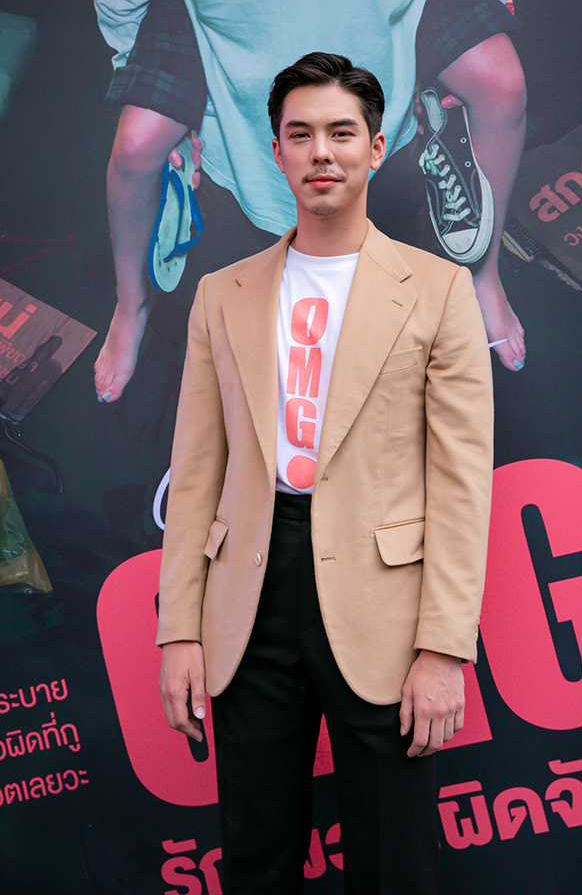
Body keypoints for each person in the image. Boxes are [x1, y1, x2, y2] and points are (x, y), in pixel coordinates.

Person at [157, 52, 494, 894]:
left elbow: (461, 485)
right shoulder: (220, 294)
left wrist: (442, 649)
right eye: (300, 134)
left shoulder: (439, 290)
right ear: (275, 152)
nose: (321, 152)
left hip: (385, 604)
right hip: (250, 597)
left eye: (342, 133)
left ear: (376, 148)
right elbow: (195, 473)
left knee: (394, 864)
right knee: (258, 859)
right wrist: (179, 631)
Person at [92, 0, 526, 407]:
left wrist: (456, 34)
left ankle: (483, 272)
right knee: (136, 146)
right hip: (218, 7)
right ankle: (131, 306)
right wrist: (144, 74)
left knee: (502, 84)